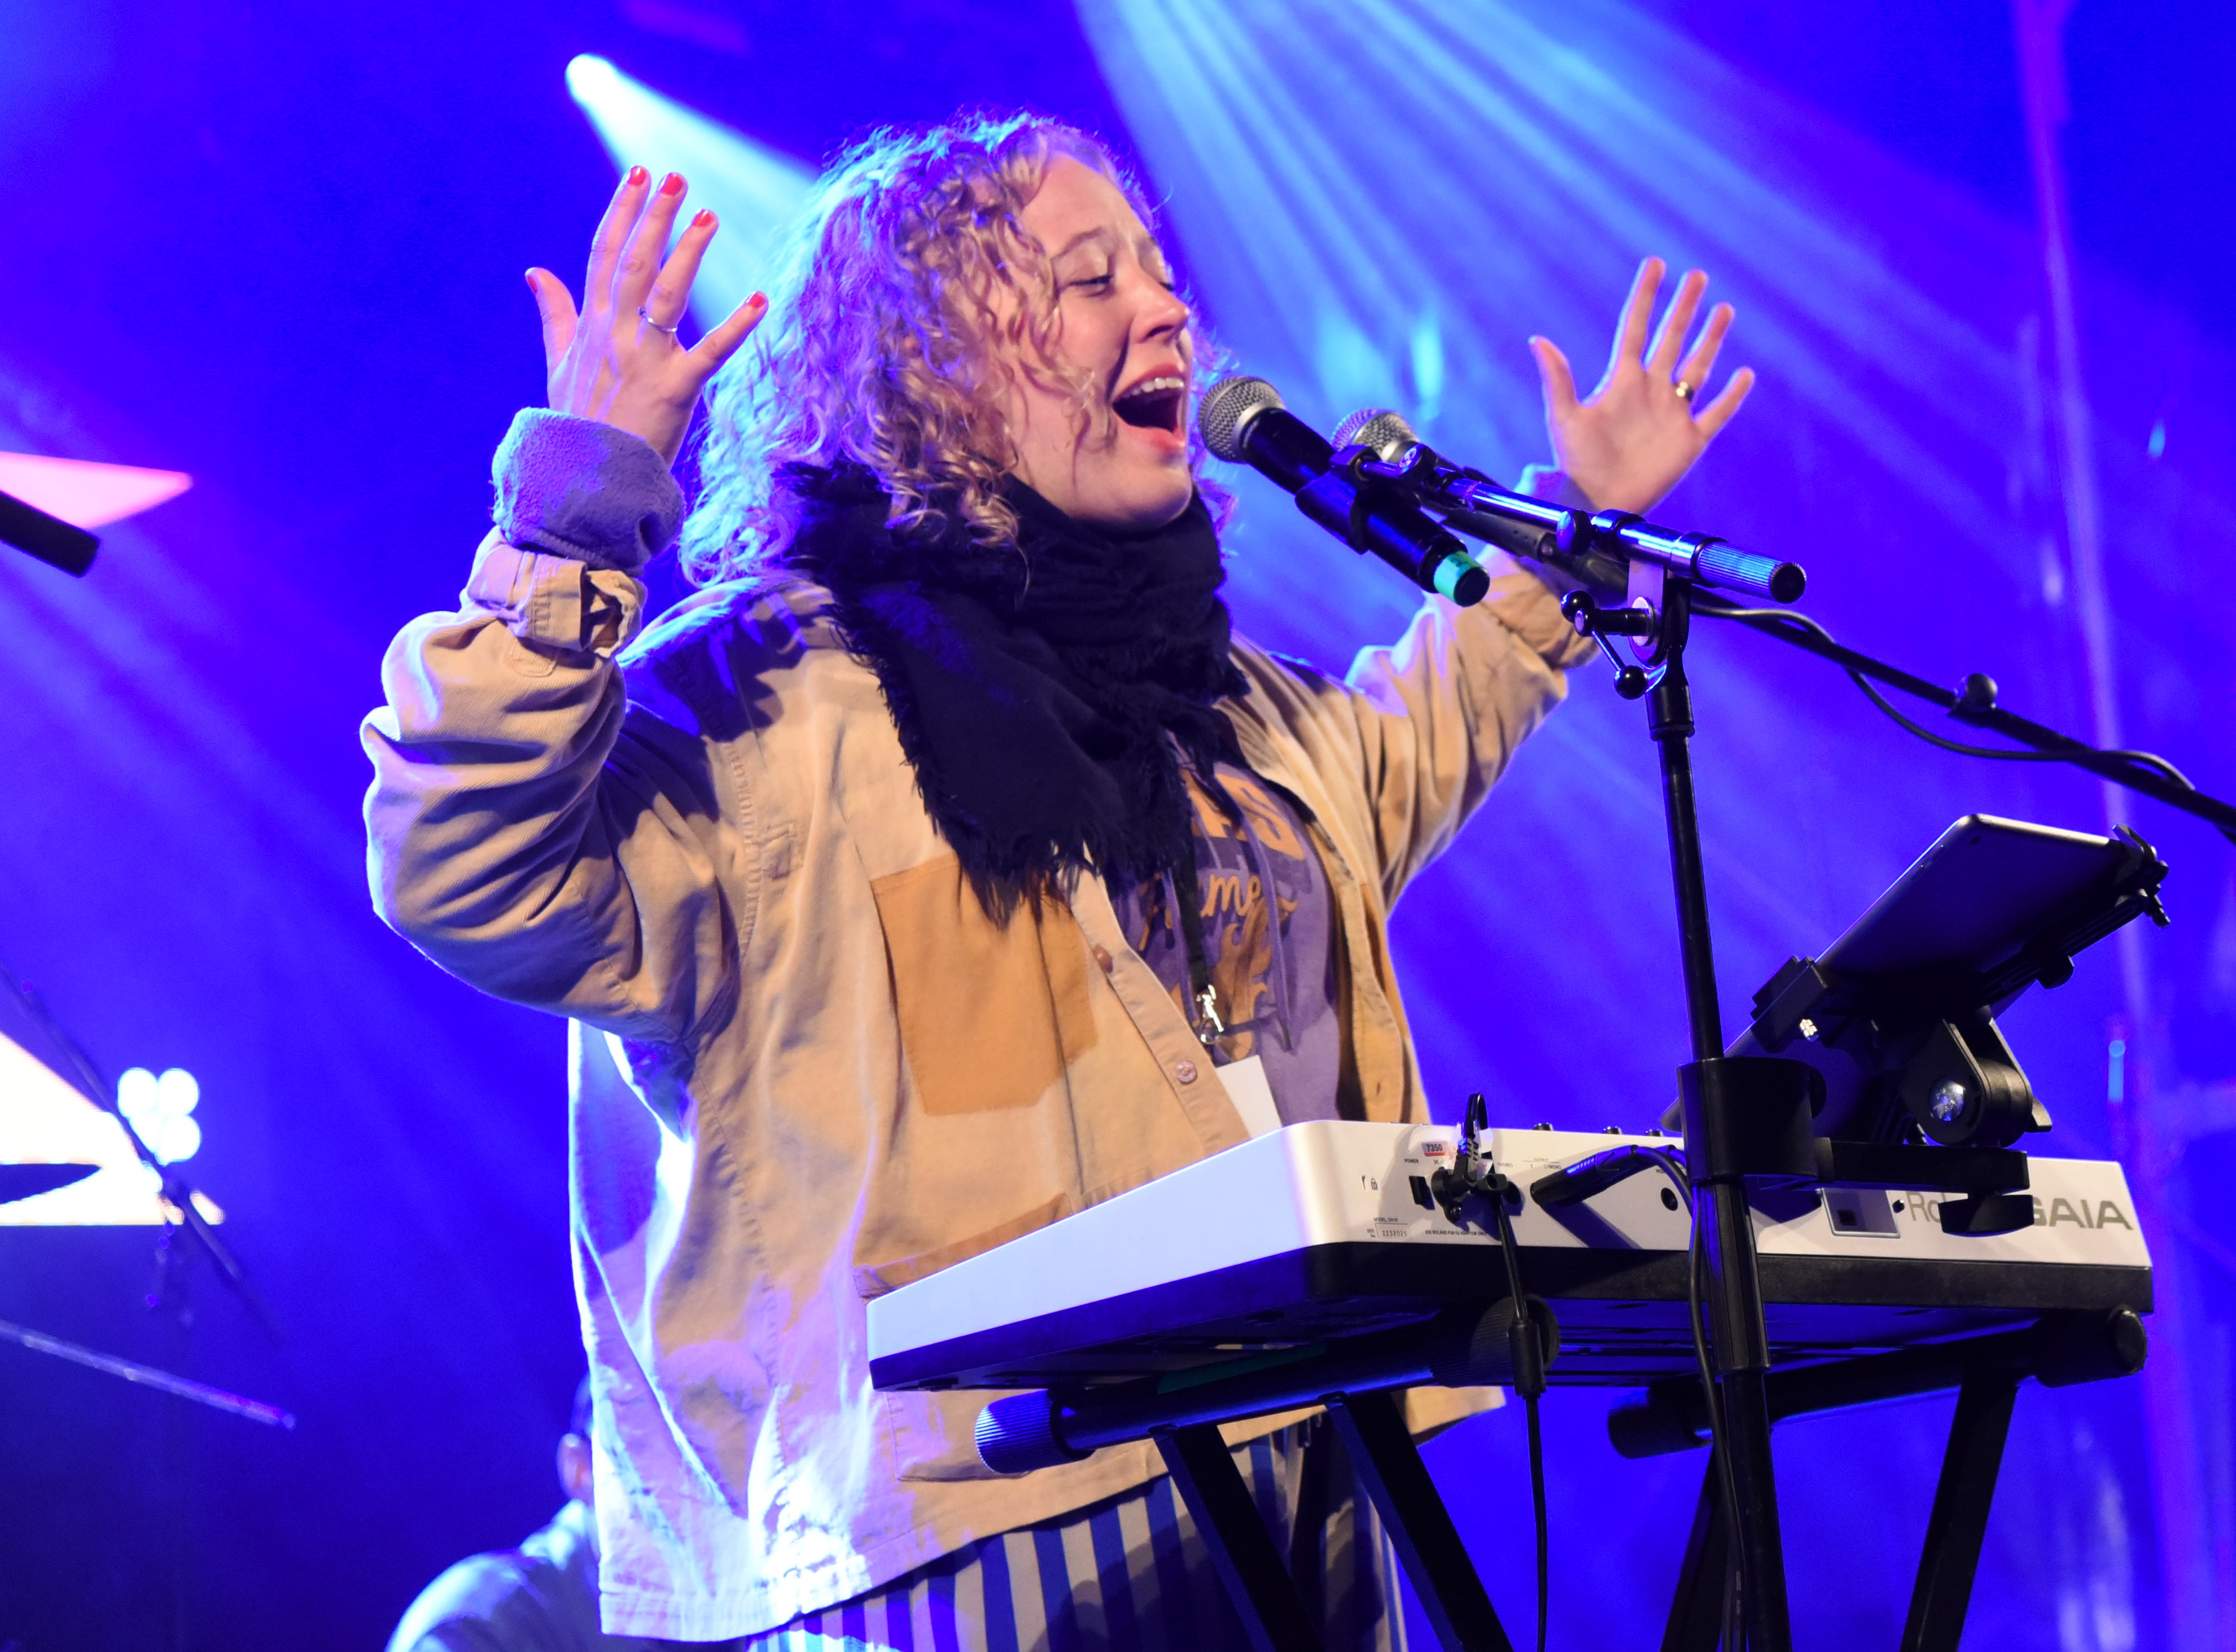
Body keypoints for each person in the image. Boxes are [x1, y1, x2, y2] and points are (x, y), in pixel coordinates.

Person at [364, 112, 1754, 1647]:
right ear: (927, 368)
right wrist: (576, 504)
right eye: (1089, 280)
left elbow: (1428, 724)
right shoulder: (768, 699)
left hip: (1309, 1476)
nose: (1164, 310)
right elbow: (467, 862)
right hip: (962, 1537)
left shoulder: (1231, 714)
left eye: (1158, 276)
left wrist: (1572, 539)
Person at [387, 1381, 664, 1652]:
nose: (688, 1499)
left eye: (705, 1461)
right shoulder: (480, 1630)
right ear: (580, 1470)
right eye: (649, 1460)